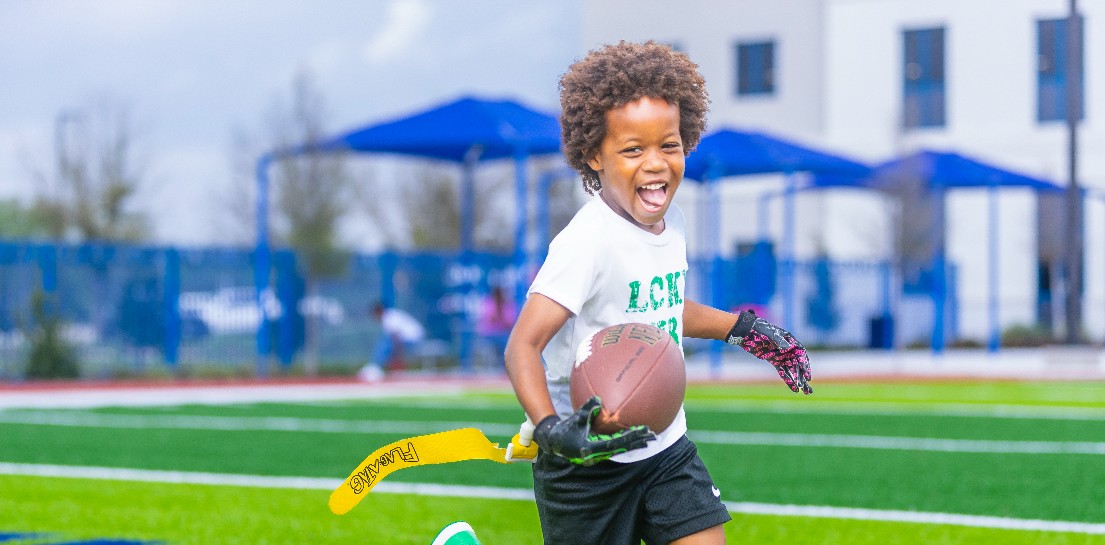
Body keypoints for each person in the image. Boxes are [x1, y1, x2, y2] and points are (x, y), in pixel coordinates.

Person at [503, 41, 812, 545]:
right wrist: (550, 427)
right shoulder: (587, 242)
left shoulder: (673, 223)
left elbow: (659, 303)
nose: (655, 164)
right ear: (592, 155)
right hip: (586, 467)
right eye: (632, 149)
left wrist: (742, 329)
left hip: (665, 447)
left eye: (668, 145)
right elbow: (523, 346)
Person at [358, 301, 425, 381]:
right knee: (385, 342)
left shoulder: (389, 318)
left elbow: (396, 340)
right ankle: (374, 366)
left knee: (384, 344)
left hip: (412, 339)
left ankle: (375, 367)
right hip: (411, 338)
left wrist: (396, 356)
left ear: (378, 312)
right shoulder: (390, 316)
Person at [475, 284, 518, 368]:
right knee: (495, 341)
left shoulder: (507, 305)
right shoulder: (488, 303)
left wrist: (501, 315)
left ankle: (505, 366)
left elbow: (509, 322)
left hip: (503, 334)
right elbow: (488, 319)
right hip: (489, 334)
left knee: (507, 342)